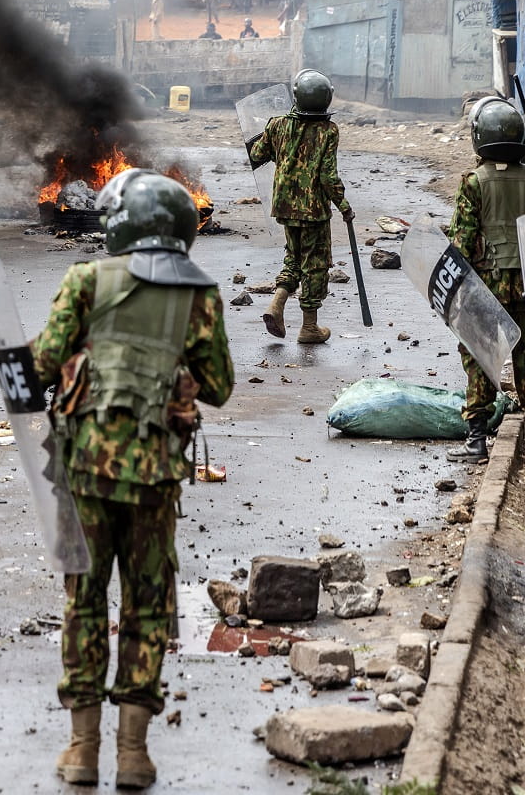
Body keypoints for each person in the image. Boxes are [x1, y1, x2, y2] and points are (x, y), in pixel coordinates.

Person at [29, 170, 233, 790]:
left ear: (118, 224)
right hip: (155, 478)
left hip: (85, 471)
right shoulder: (199, 296)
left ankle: (82, 750)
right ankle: (135, 755)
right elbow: (220, 386)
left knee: (84, 603)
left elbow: (41, 365)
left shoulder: (86, 281)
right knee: (148, 606)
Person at [447, 98, 525, 463]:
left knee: (479, 355)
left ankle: (476, 440)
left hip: (486, 282)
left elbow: (461, 241)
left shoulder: (473, 183)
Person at [249, 69, 354, 344]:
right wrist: (343, 205)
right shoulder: (328, 130)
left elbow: (257, 154)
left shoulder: (277, 124)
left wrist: (276, 142)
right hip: (314, 211)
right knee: (316, 265)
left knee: (293, 258)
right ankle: (309, 328)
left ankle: (277, 303)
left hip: (284, 207)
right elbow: (327, 175)